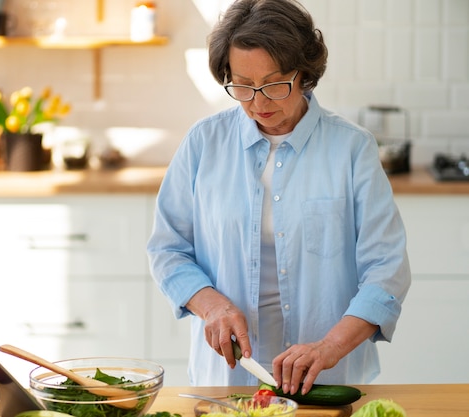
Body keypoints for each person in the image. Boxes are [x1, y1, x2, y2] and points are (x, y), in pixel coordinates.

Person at [146, 0, 411, 395]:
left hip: (329, 379)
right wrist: (212, 306)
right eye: (243, 85)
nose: (259, 102)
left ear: (304, 72)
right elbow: (169, 250)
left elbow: (386, 270)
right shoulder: (204, 143)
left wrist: (329, 347)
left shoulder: (352, 149)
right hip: (229, 379)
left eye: (274, 84)